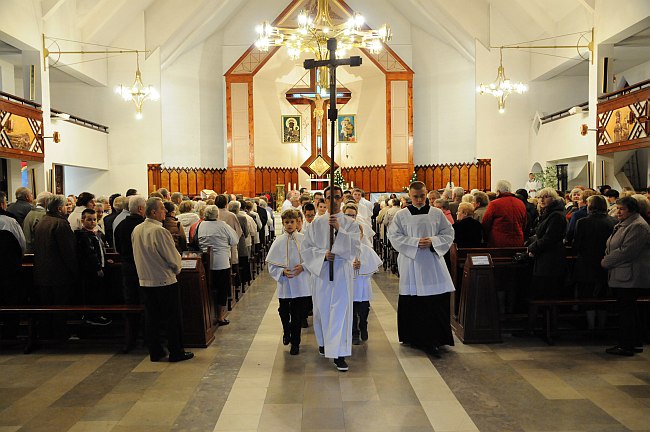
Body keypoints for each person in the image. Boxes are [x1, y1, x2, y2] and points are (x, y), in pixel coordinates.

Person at [388, 181, 455, 357]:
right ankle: (414, 336)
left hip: (433, 263)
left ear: (427, 195)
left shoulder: (437, 213)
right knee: (414, 301)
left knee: (435, 301)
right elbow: (393, 236)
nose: (419, 200)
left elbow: (448, 233)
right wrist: (415, 242)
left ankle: (437, 338)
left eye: (422, 196)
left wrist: (433, 241)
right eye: (415, 196)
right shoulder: (401, 215)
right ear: (410, 196)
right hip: (412, 262)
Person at [302, 185, 360, 371]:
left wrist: (339, 230)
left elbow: (354, 248)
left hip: (342, 272)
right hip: (322, 273)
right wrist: (322, 255)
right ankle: (324, 342)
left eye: (337, 196)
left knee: (340, 311)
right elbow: (306, 249)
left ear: (342, 198)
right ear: (324, 201)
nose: (333, 200)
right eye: (329, 197)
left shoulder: (350, 224)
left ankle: (339, 353)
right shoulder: (316, 225)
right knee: (322, 310)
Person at [131, 197, 193, 362]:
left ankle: (156, 351)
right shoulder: (159, 231)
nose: (165, 211)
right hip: (164, 280)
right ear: (153, 212)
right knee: (173, 318)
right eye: (162, 209)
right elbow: (172, 258)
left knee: (152, 318)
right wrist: (178, 268)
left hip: (145, 280)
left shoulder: (137, 229)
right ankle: (176, 352)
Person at [601, 196, 650, 356]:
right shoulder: (625, 224)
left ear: (632, 210)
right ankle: (633, 342)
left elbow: (627, 251)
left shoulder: (638, 226)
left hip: (630, 274)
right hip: (622, 273)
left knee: (627, 312)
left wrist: (606, 261)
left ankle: (626, 345)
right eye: (617, 208)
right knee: (628, 310)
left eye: (621, 209)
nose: (618, 212)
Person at [33, 195, 79, 338]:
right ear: (60, 208)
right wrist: (75, 271)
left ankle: (47, 333)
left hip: (42, 273)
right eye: (66, 206)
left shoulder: (42, 222)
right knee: (60, 307)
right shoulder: (60, 224)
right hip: (59, 274)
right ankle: (60, 334)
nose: (67, 208)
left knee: (47, 306)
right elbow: (68, 251)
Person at [266, 209, 311, 355]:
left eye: (292, 222)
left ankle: (295, 343)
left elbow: (312, 260)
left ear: (297, 222)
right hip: (285, 283)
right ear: (283, 223)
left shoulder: (304, 239)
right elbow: (271, 264)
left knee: (297, 314)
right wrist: (280, 272)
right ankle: (287, 330)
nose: (290, 225)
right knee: (283, 311)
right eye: (287, 222)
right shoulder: (278, 241)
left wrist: (303, 267)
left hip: (300, 282)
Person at [572, 195, 617, 330]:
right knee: (603, 294)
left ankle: (591, 326)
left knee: (587, 295)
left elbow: (576, 245)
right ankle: (602, 326)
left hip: (586, 262)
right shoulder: (613, 222)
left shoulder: (583, 222)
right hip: (606, 262)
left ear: (590, 206)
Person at [526, 188, 567, 333]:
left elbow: (549, 238)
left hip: (551, 261)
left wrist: (532, 247)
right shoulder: (547, 214)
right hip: (545, 259)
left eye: (546, 197)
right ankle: (538, 327)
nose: (542, 200)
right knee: (540, 294)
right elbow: (540, 234)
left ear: (553, 198)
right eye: (540, 197)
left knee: (547, 295)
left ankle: (549, 329)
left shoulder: (556, 215)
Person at [343, 203, 381, 345]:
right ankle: (354, 333)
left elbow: (372, 267)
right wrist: (350, 265)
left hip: (363, 286)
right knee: (351, 311)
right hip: (349, 285)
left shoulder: (366, 249)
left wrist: (362, 265)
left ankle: (363, 326)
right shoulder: (344, 249)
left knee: (363, 310)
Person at [196, 205, 239, 326]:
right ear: (217, 215)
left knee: (208, 289)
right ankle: (220, 316)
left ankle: (208, 315)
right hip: (221, 262)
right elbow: (235, 240)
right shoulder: (223, 225)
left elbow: (196, 241)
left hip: (205, 263)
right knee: (222, 289)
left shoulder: (200, 225)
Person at [74, 209, 111, 326]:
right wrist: (98, 267)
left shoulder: (95, 234)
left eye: (94, 219)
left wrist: (106, 258)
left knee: (98, 292)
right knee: (92, 293)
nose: (92, 222)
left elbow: (100, 250)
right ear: (82, 221)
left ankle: (97, 314)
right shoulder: (83, 235)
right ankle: (92, 316)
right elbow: (90, 254)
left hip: (98, 266)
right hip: (90, 270)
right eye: (89, 220)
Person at [0, 192, 26, 338]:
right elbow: (22, 244)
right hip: (9, 269)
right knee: (10, 302)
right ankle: (11, 334)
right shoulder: (10, 221)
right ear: (3, 204)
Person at [482, 180, 527, 247]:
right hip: (518, 242)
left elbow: (486, 223)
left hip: (498, 242)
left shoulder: (494, 204)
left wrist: (487, 238)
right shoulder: (520, 203)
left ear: (498, 192)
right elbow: (525, 223)